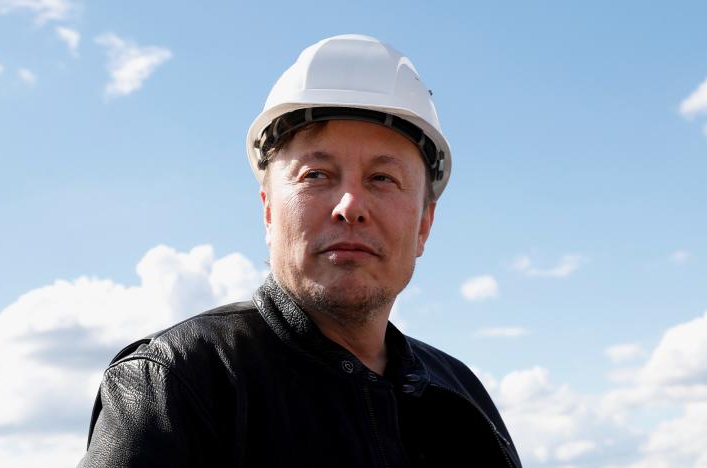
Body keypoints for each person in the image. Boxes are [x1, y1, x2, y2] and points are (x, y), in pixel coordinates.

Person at [78, 34, 522, 468]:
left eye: (382, 179)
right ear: (269, 211)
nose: (350, 206)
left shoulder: (462, 401)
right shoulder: (179, 385)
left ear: (424, 224)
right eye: (316, 175)